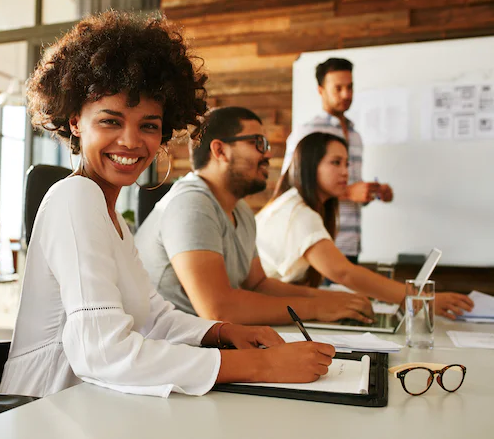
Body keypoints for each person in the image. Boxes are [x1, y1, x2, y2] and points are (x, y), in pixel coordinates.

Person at [0, 12, 335, 399]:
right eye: (111, 121)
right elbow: (102, 352)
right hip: (44, 410)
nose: (131, 141)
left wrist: (222, 332)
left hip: (95, 403)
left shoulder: (112, 218)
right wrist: (262, 365)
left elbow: (153, 316)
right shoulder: (75, 198)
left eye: (148, 125)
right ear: (75, 122)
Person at [135, 106, 374, 326]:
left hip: (204, 346)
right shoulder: (191, 204)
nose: (268, 154)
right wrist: (317, 307)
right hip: (169, 353)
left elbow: (258, 285)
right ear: (220, 150)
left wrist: (332, 299)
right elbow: (218, 310)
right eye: (258, 143)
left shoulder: (241, 211)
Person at [256, 132, 474, 319]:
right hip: (261, 312)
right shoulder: (298, 213)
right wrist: (418, 298)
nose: (345, 172)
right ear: (310, 165)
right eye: (335, 162)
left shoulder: (295, 204)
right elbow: (344, 273)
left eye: (346, 164)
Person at [281, 58, 391, 265]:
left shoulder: (355, 135)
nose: (346, 94)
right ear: (321, 90)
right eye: (338, 88)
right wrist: (349, 192)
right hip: (318, 242)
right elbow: (292, 184)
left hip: (351, 243)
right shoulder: (308, 132)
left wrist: (371, 192)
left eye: (350, 87)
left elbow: (345, 185)